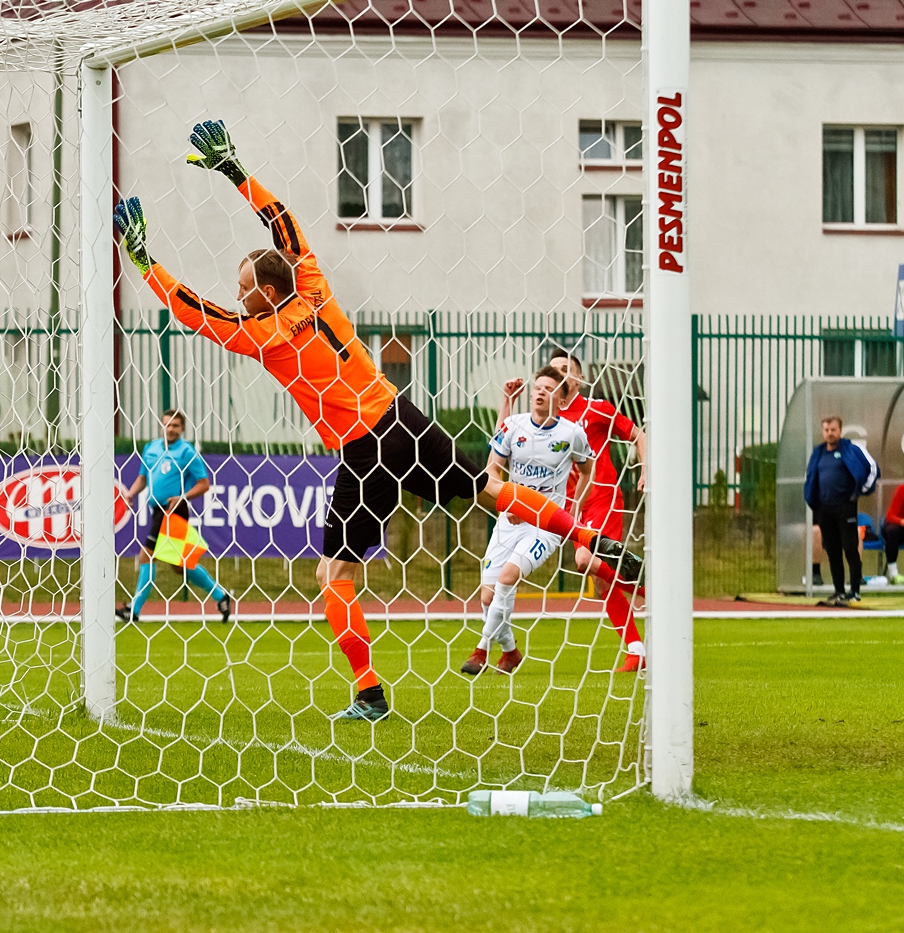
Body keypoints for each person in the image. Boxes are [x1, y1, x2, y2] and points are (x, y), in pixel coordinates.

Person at [113, 120, 638, 721]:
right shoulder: (313, 284)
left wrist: (142, 260)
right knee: (490, 489)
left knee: (334, 572)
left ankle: (369, 692)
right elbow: (283, 222)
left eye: (242, 288)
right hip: (403, 415)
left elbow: (193, 312)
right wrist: (235, 170)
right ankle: (591, 539)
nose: (237, 296)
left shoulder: (265, 336)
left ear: (263, 291)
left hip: (364, 452)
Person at [500, 350, 648, 671]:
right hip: (569, 507)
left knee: (584, 560)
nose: (559, 375)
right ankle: (637, 650)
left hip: (601, 497)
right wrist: (509, 402)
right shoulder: (544, 419)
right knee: (602, 581)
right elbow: (507, 439)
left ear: (578, 379)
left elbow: (639, 435)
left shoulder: (597, 409)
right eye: (554, 371)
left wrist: (645, 468)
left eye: (566, 370)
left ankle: (646, 585)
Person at [461, 367, 592, 675]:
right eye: (538, 387)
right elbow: (493, 469)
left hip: (545, 525)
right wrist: (503, 498)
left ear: (561, 400)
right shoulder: (513, 425)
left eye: (549, 388)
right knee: (487, 596)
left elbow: (587, 471)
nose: (541, 392)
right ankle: (510, 652)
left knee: (507, 578)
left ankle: (480, 650)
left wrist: (573, 511)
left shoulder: (572, 433)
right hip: (510, 521)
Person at [116, 410, 232, 623]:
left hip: (173, 510)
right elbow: (143, 477)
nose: (171, 429)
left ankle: (134, 610)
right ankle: (221, 595)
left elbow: (204, 484)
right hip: (156, 510)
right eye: (167, 425)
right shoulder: (150, 448)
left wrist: (183, 497)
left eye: (175, 426)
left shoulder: (187, 453)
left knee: (146, 556)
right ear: (162, 426)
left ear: (183, 429)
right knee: (180, 566)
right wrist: (131, 493)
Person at [803, 416, 878, 605]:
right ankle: (838, 591)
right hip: (825, 509)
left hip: (845, 507)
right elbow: (811, 476)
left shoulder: (851, 449)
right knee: (833, 551)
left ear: (840, 431)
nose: (830, 433)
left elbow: (872, 468)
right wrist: (813, 500)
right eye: (826, 430)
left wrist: (859, 492)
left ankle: (854, 590)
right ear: (823, 432)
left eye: (833, 430)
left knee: (850, 548)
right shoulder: (818, 453)